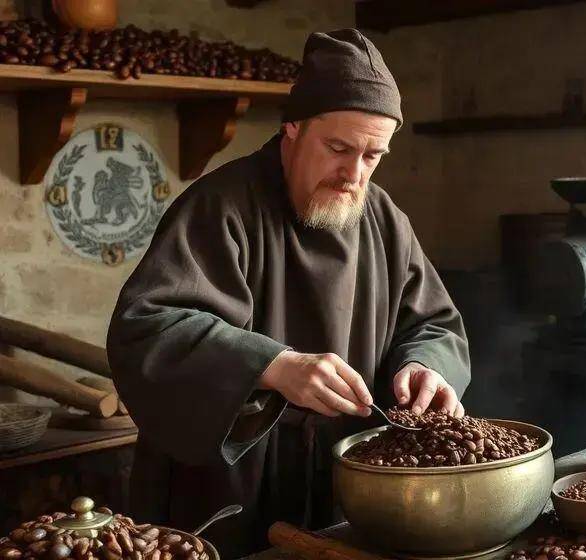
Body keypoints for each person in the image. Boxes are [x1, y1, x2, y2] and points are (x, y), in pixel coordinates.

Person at [106, 29, 470, 558]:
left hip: (351, 480)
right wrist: (273, 366)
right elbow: (147, 328)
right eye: (339, 148)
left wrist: (426, 365)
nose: (354, 174)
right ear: (292, 128)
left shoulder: (385, 219)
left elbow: (434, 322)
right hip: (230, 487)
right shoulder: (221, 207)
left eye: (374, 155)